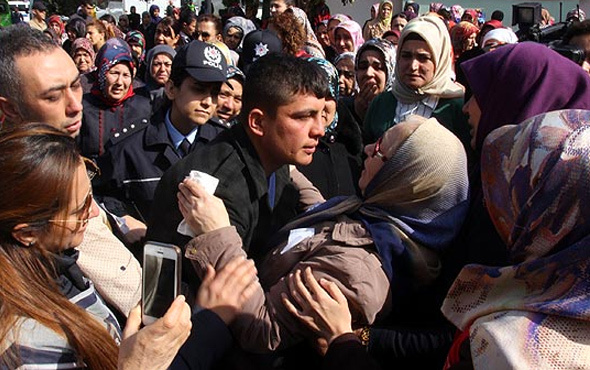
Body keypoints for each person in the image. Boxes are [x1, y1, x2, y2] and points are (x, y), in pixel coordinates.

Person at [178, 115, 469, 355]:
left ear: (405, 178)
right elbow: (328, 222)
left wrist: (216, 232)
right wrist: (283, 161)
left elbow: (264, 329)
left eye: (380, 149)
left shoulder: (356, 272)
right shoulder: (375, 219)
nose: (367, 148)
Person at [0, 124, 259, 370]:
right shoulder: (30, 344)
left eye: (91, 195)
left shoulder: (57, 263)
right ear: (27, 233)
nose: (93, 214)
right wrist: (143, 361)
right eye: (79, 208)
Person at [146, 54, 330, 296]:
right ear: (257, 122)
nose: (318, 130)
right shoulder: (218, 191)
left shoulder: (277, 159)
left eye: (320, 114)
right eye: (303, 117)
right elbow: (220, 300)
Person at [0, 25, 142, 318]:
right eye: (52, 97)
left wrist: (115, 220)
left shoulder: (61, 145)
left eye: (76, 85)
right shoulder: (16, 191)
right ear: (10, 109)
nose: (76, 105)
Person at [442, 109, 590, 369]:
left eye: (515, 186)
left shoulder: (502, 347)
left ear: (548, 212)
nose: (492, 204)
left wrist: (348, 344)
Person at [95, 41, 228, 241]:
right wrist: (123, 219)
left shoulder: (223, 145)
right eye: (198, 89)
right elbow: (100, 195)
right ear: (171, 88)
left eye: (215, 93)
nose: (208, 102)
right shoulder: (130, 147)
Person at [363, 15, 471, 157]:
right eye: (406, 56)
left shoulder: (457, 107)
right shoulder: (382, 103)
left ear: (439, 60)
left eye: (423, 58)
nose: (413, 66)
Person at [79, 38, 152, 160]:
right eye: (114, 73)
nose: (119, 82)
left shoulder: (143, 108)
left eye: (126, 75)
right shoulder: (83, 106)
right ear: (102, 73)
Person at [340, 38, 395, 133]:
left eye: (378, 67)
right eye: (363, 67)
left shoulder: (398, 109)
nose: (368, 73)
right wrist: (356, 115)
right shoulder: (343, 107)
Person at [142, 44, 176, 110]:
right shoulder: (138, 95)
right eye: (157, 64)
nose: (162, 69)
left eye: (167, 65)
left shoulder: (179, 97)